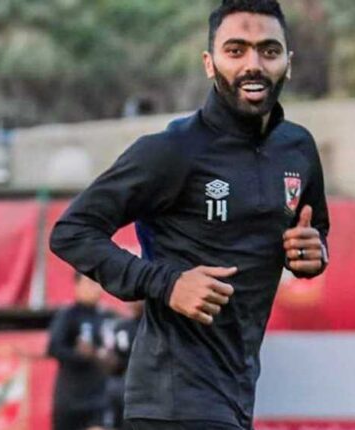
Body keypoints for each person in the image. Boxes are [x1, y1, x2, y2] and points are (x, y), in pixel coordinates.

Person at [49, 0, 329, 428]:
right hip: (171, 398)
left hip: (237, 391)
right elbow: (72, 231)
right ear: (209, 63)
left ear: (288, 63)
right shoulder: (172, 150)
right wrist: (167, 283)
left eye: (268, 51)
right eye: (235, 50)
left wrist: (313, 253)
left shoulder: (298, 149)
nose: (253, 65)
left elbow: (314, 229)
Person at [47, 273, 112, 430]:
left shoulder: (107, 317)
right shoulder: (68, 315)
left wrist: (100, 356)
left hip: (97, 398)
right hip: (70, 399)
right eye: (90, 283)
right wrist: (79, 355)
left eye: (98, 284)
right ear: (77, 286)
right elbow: (53, 348)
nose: (96, 288)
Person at [102, 302, 144, 430]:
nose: (135, 303)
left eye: (139, 299)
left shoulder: (157, 328)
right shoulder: (121, 327)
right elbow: (113, 361)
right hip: (125, 382)